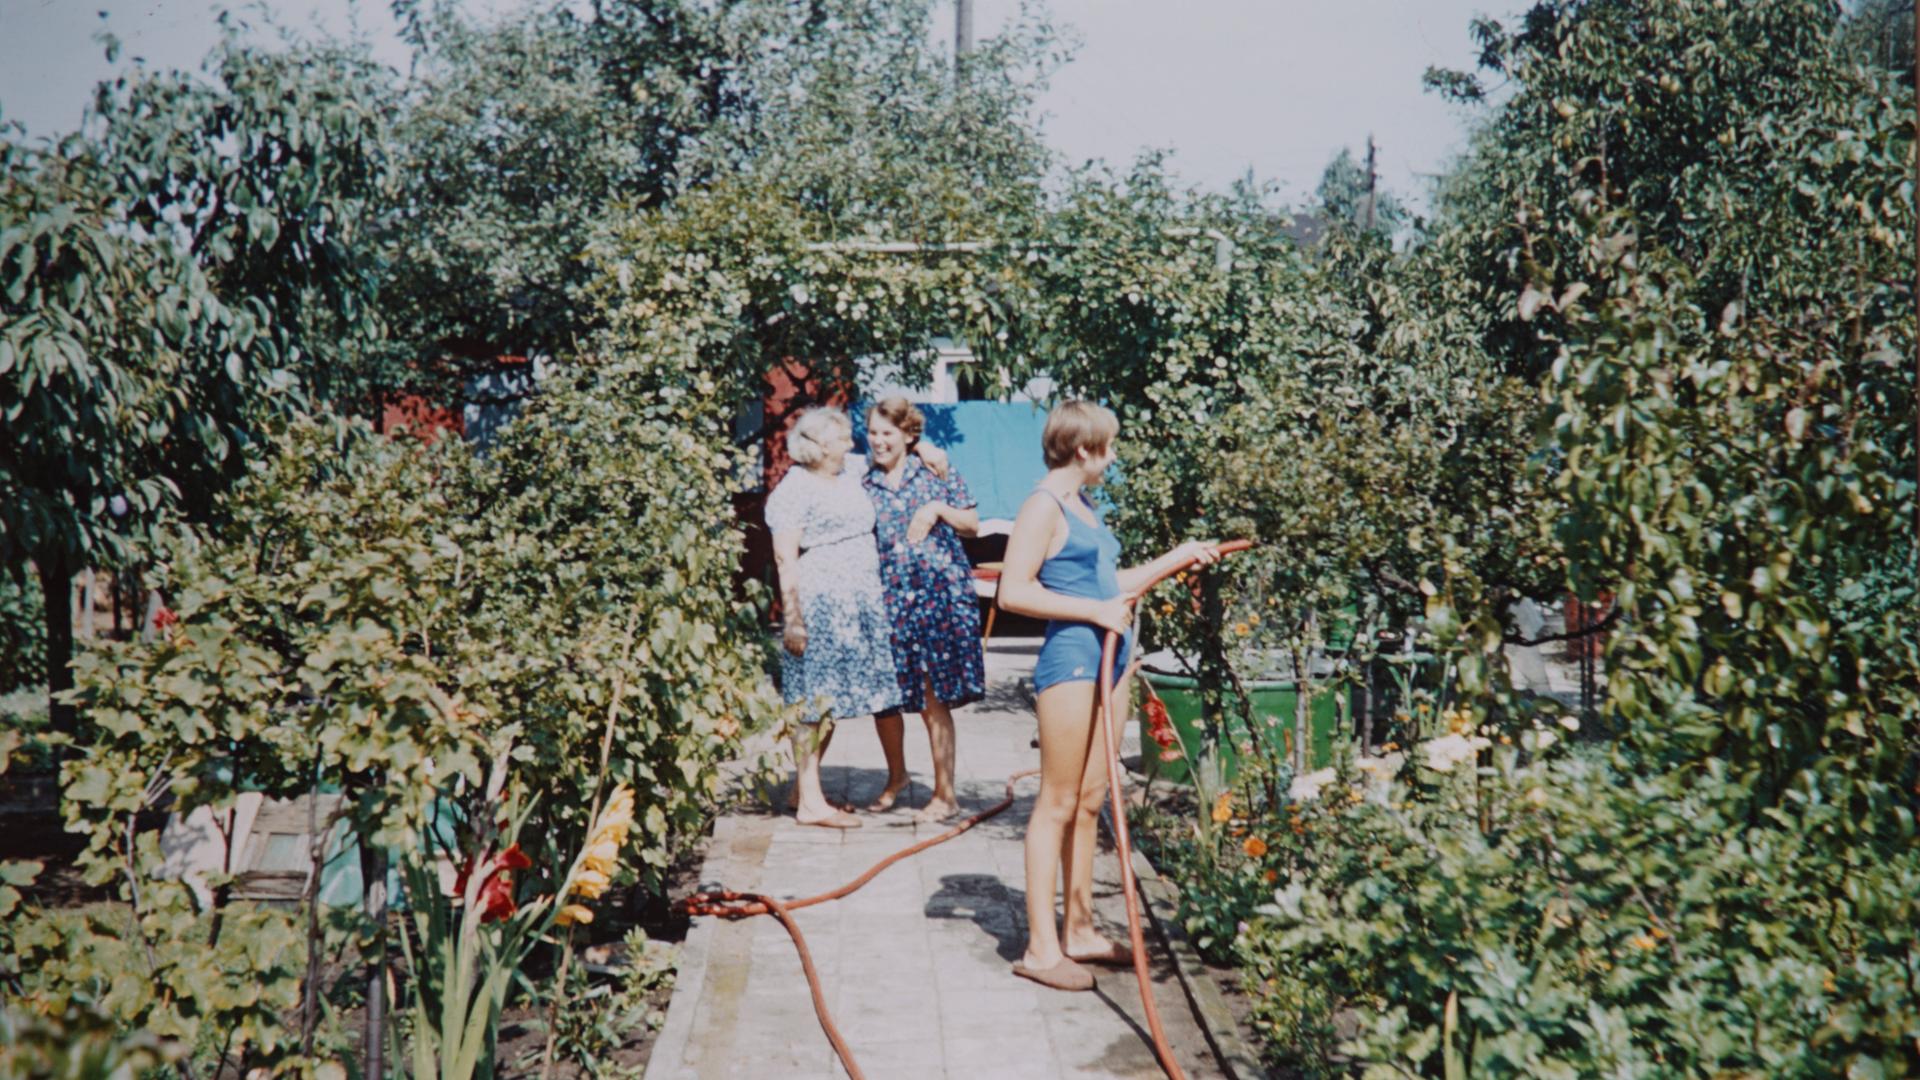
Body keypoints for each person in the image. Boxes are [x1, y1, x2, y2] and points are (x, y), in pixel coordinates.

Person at [994, 400, 1218, 991]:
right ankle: (1042, 949)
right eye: (1108, 448)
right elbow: (1013, 593)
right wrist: (1094, 611)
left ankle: (1082, 931)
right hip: (1072, 662)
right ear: (1082, 449)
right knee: (1057, 803)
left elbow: (1108, 586)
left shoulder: (1082, 505)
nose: (1112, 458)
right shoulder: (1041, 506)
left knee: (1092, 799)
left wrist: (1179, 556)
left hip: (1113, 659)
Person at [861, 396, 986, 823]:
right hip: (888, 599)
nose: (878, 441)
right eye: (873, 432)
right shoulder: (862, 481)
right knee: (887, 697)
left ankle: (945, 794)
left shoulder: (936, 470)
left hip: (938, 598)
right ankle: (896, 778)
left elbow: (972, 525)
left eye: (887, 433)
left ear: (909, 435)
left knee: (934, 697)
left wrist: (935, 509)